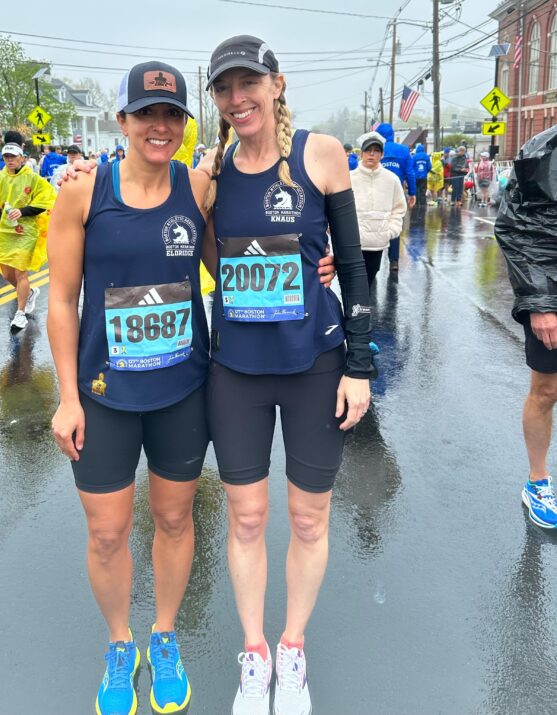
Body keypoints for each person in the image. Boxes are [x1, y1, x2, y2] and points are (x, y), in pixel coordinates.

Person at [203, 35, 372, 714]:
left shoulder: (319, 153)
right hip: (236, 368)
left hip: (314, 363)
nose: (237, 99)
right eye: (223, 88)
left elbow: (353, 265)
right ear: (214, 99)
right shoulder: (210, 169)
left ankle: (292, 647)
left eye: (248, 83)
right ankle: (254, 652)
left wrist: (358, 366)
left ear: (275, 83)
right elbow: (199, 246)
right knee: (244, 517)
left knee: (307, 518)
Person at [47, 61, 213, 715]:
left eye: (171, 114)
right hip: (103, 395)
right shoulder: (83, 193)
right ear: (122, 122)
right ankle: (121, 644)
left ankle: (164, 634)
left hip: (180, 393)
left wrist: (310, 258)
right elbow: (60, 301)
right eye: (146, 113)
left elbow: (236, 263)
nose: (160, 126)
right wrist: (65, 395)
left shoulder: (196, 188)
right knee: (108, 533)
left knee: (174, 518)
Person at [495, 125, 557, 529]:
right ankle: (538, 480)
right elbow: (514, 226)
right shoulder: (543, 151)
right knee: (547, 389)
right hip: (552, 295)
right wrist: (539, 302)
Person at [0, 131, 56, 331]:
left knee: (20, 272)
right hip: (4, 232)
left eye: (13, 157)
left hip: (26, 232)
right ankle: (29, 294)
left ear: (22, 157)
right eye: (6, 157)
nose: (10, 160)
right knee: (7, 274)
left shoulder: (33, 178)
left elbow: (47, 200)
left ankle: (20, 313)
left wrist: (22, 211)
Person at [350, 131, 407, 286]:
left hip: (377, 242)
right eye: (368, 150)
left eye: (376, 151)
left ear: (382, 155)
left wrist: (391, 231)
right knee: (352, 283)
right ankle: (352, 310)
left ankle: (362, 309)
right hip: (352, 242)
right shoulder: (349, 179)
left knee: (370, 277)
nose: (372, 154)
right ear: (361, 153)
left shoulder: (392, 180)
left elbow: (399, 208)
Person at [375, 123, 416, 271]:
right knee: (394, 225)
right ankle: (394, 261)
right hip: (396, 193)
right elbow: (410, 173)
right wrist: (412, 193)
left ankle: (375, 259)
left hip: (378, 193)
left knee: (376, 225)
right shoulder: (404, 150)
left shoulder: (376, 150)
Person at [413, 143, 431, 207]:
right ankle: (423, 204)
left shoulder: (414, 156)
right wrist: (425, 172)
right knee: (423, 190)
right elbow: (429, 167)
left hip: (416, 176)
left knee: (416, 190)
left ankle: (417, 203)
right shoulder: (426, 156)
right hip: (424, 177)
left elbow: (412, 166)